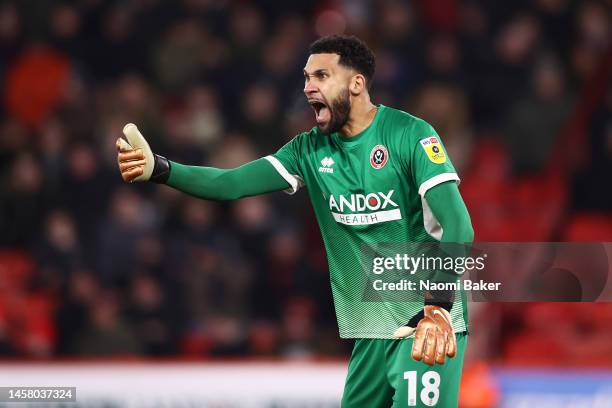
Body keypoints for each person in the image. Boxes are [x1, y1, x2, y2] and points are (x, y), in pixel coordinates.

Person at [116, 35, 473, 407]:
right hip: (371, 333)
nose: (308, 87)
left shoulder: (409, 135)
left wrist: (439, 307)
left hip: (427, 326)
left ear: (356, 83)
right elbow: (230, 183)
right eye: (305, 77)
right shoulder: (307, 150)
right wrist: (160, 169)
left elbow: (459, 227)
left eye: (321, 75)